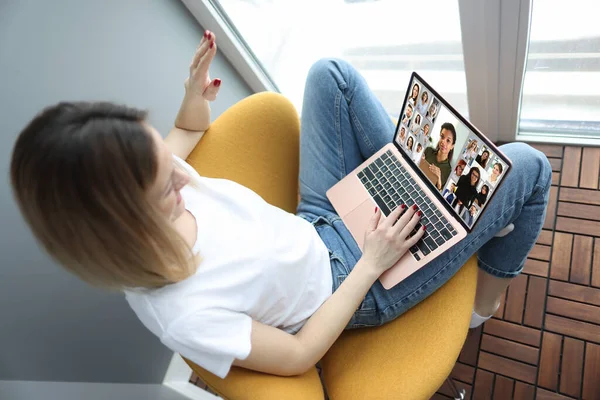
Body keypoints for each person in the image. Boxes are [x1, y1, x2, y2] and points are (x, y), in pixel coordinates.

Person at [10, 47, 552, 380]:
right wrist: (370, 261)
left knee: (329, 75)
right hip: (352, 284)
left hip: (312, 220)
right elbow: (296, 354)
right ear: (124, 226)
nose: (182, 174)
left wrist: (191, 96)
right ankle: (485, 300)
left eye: (160, 155)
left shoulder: (148, 184)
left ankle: (413, 188)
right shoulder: (187, 315)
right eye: (165, 186)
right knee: (529, 166)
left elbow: (189, 131)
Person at [422, 122, 456, 190]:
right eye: (442, 137)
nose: (443, 141)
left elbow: (440, 191)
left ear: (452, 146)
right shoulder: (428, 150)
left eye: (448, 140)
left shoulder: (448, 170)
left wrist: (439, 178)